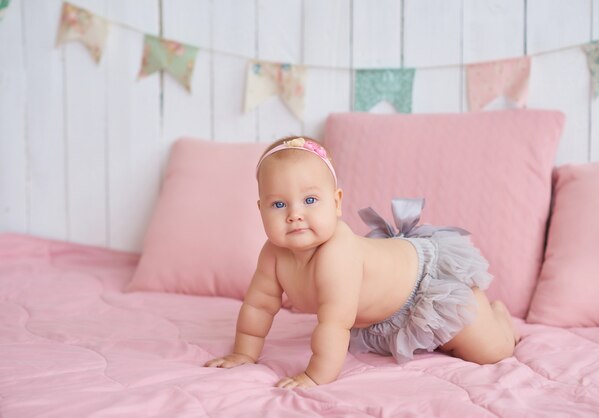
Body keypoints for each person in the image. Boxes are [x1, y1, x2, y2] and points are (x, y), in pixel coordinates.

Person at [204, 135, 518, 389]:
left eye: (310, 200)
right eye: (279, 204)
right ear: (260, 209)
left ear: (337, 202)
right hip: (385, 314)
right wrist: (244, 353)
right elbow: (258, 306)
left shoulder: (336, 253)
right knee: (448, 344)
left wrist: (316, 375)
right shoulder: (273, 254)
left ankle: (498, 315)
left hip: (426, 285)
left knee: (492, 352)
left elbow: (335, 323)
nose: (294, 213)